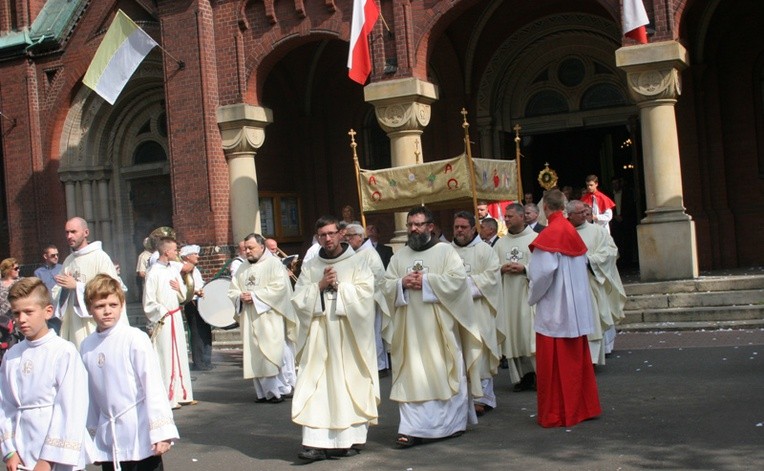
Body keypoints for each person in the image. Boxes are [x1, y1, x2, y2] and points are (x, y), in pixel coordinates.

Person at [382, 206, 482, 448]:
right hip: (409, 331)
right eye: (410, 225)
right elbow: (384, 287)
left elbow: (459, 284)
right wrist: (401, 284)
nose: (413, 229)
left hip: (440, 330)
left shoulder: (446, 253)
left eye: (418, 224)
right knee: (412, 375)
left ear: (430, 226)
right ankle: (410, 429)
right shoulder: (399, 257)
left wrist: (427, 281)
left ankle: (450, 426)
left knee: (444, 370)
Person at [291, 216, 378, 462]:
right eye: (322, 235)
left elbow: (366, 296)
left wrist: (339, 286)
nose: (327, 239)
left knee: (349, 383)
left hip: (348, 336)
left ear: (341, 234)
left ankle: (347, 439)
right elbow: (297, 300)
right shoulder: (310, 266)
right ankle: (315, 442)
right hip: (318, 336)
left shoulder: (358, 262)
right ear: (317, 237)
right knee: (315, 385)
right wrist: (319, 285)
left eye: (331, 233)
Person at [81, 274, 179, 471]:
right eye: (100, 306)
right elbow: (90, 396)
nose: (107, 311)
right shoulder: (87, 346)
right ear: (89, 309)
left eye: (113, 304)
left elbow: (152, 385)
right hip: (110, 434)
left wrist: (161, 432)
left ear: (121, 304)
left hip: (139, 430)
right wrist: (93, 438)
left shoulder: (134, 338)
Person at [0, 278, 92, 470]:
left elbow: (71, 408)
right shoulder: (12, 356)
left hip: (56, 454)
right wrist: (9, 450)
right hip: (21, 451)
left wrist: (48, 460)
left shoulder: (63, 352)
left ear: (48, 311)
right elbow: (5, 405)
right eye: (17, 313)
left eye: (29, 312)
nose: (21, 319)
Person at [527, 189, 601, 428]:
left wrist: (532, 297)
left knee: (554, 366)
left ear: (546, 208)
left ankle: (557, 413)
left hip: (555, 310)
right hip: (576, 311)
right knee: (577, 363)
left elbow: (541, 275)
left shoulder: (549, 235)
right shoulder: (571, 231)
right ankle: (583, 408)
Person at [228, 233, 297, 403]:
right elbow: (233, 289)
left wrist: (255, 297)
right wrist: (239, 297)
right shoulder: (243, 267)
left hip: (269, 316)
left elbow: (279, 288)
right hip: (250, 317)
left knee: (270, 354)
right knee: (255, 354)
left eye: (251, 248)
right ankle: (265, 392)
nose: (248, 251)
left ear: (261, 247)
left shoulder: (274, 264)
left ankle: (276, 391)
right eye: (245, 248)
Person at [450, 211, 502, 417]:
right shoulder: (445, 251)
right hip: (454, 311)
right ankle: (461, 396)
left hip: (478, 310)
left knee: (480, 351)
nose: (459, 230)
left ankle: (483, 398)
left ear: (473, 229)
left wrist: (458, 287)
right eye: (456, 227)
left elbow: (490, 279)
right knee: (459, 353)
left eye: (464, 227)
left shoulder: (485, 251)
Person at [53, 217, 129, 350]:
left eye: (73, 232)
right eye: (67, 232)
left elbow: (110, 290)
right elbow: (57, 292)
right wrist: (63, 288)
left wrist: (77, 286)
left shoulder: (100, 257)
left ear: (86, 233)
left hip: (93, 324)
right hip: (74, 324)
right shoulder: (69, 260)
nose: (69, 236)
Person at [567, 200, 626, 364]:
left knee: (594, 319)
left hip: (591, 281)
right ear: (569, 215)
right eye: (580, 213)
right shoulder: (564, 233)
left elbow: (611, 251)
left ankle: (593, 358)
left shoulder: (598, 232)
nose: (585, 215)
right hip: (571, 285)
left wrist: (590, 260)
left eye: (585, 212)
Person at [143, 237, 195, 409]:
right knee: (165, 356)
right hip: (164, 319)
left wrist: (179, 289)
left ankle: (182, 393)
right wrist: (163, 312)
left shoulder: (172, 269)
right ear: (166, 252)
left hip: (176, 317)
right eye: (174, 250)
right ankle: (168, 396)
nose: (177, 253)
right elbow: (148, 302)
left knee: (179, 353)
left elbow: (182, 295)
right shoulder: (153, 273)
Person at [495, 202, 538, 392]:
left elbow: (545, 268)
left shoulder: (536, 238)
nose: (506, 219)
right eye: (505, 216)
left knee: (529, 336)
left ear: (522, 217)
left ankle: (539, 375)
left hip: (528, 296)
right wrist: (500, 269)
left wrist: (525, 269)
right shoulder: (500, 243)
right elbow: (490, 269)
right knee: (512, 336)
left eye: (510, 216)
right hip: (507, 297)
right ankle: (521, 377)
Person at [344, 223, 391, 376]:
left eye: (351, 236)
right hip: (356, 299)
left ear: (360, 237)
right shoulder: (353, 253)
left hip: (371, 300)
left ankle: (380, 365)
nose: (348, 239)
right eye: (347, 236)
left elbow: (378, 278)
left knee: (372, 333)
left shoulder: (370, 254)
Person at [180, 244, 213, 371]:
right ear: (188, 257)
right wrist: (195, 292)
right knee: (197, 333)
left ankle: (206, 360)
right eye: (195, 254)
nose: (198, 256)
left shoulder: (194, 269)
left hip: (200, 302)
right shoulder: (185, 270)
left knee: (205, 331)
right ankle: (199, 362)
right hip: (193, 303)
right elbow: (183, 287)